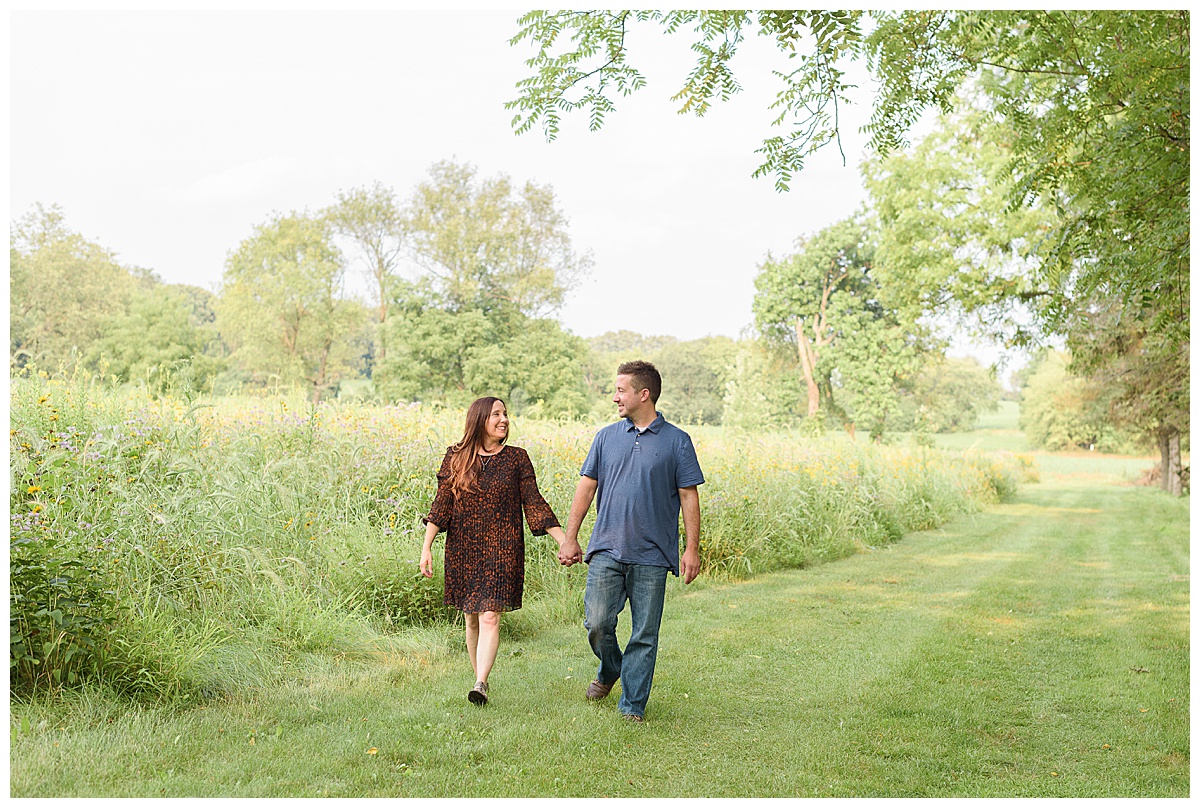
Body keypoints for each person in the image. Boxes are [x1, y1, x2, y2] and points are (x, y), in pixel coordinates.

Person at [557, 360, 704, 723]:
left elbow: (689, 497)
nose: (614, 397)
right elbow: (586, 486)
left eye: (620, 390)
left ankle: (632, 706)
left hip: (653, 555)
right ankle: (611, 669)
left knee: (644, 633)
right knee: (597, 623)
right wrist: (571, 538)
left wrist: (691, 549)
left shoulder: (678, 442)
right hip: (606, 547)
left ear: (644, 394)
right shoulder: (606, 437)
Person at [420, 396, 567, 706]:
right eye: (496, 414)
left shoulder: (517, 458)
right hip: (463, 548)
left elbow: (534, 502)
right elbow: (441, 504)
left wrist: (563, 540)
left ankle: (481, 682)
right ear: (480, 420)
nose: (504, 419)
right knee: (471, 618)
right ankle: (479, 683)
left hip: (504, 548)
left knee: (489, 617)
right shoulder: (456, 457)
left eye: (505, 414)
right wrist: (427, 547)